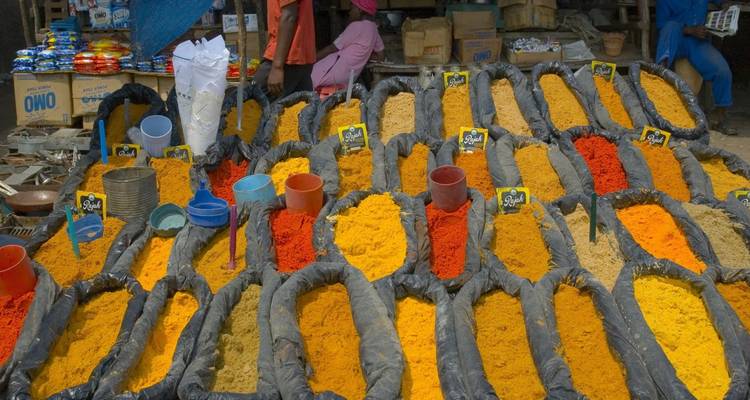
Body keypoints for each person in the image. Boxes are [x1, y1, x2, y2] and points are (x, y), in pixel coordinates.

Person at [655, 0, 736, 134]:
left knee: (722, 71)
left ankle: (718, 117)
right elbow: (661, 24)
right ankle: (658, 93)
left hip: (698, 43)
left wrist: (724, 5)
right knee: (670, 27)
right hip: (675, 40)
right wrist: (689, 30)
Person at [311, 0, 384, 90]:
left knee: (309, 79)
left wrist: (312, 60)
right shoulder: (374, 29)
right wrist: (364, 56)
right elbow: (381, 56)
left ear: (360, 10)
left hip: (334, 72)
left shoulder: (356, 26)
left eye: (351, 8)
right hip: (348, 78)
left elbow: (332, 48)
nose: (349, 12)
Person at [254, 0, 316, 99]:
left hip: (287, 57)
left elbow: (289, 16)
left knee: (251, 103)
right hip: (298, 56)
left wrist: (277, 67)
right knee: (299, 108)